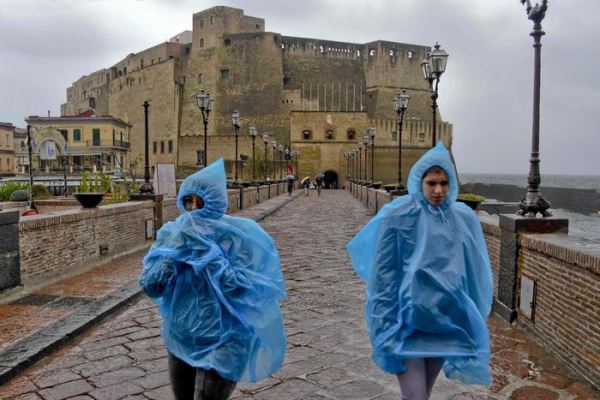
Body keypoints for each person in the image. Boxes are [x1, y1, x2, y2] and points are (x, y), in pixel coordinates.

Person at [347, 142, 493, 400]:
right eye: (432, 183)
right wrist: (384, 325)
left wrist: (469, 317)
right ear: (419, 181)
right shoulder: (398, 216)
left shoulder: (461, 219)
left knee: (421, 394)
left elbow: (473, 269)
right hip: (406, 322)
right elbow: (383, 277)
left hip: (443, 323)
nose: (439, 190)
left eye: (445, 183)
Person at [139, 158, 287, 400]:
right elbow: (152, 287)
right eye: (188, 201)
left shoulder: (242, 237)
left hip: (224, 341)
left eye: (200, 201)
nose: (193, 208)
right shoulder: (174, 232)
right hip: (181, 337)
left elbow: (242, 288)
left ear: (215, 201)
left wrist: (208, 254)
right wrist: (172, 254)